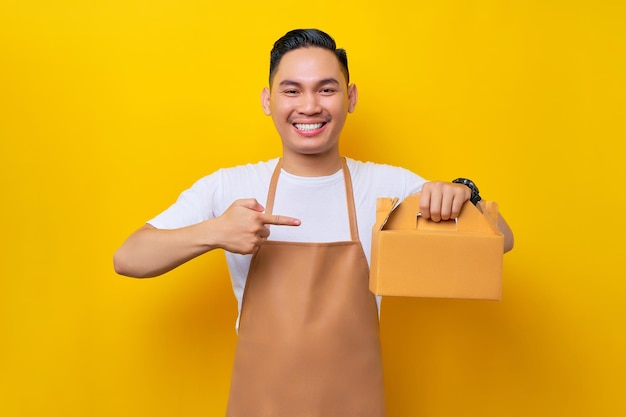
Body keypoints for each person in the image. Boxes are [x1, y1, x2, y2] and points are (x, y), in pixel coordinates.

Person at [114, 28, 514, 417]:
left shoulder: (387, 186)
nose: (309, 106)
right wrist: (215, 231)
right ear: (268, 101)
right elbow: (129, 257)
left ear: (350, 97)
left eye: (326, 89)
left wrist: (464, 193)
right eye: (292, 90)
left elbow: (502, 242)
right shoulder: (230, 186)